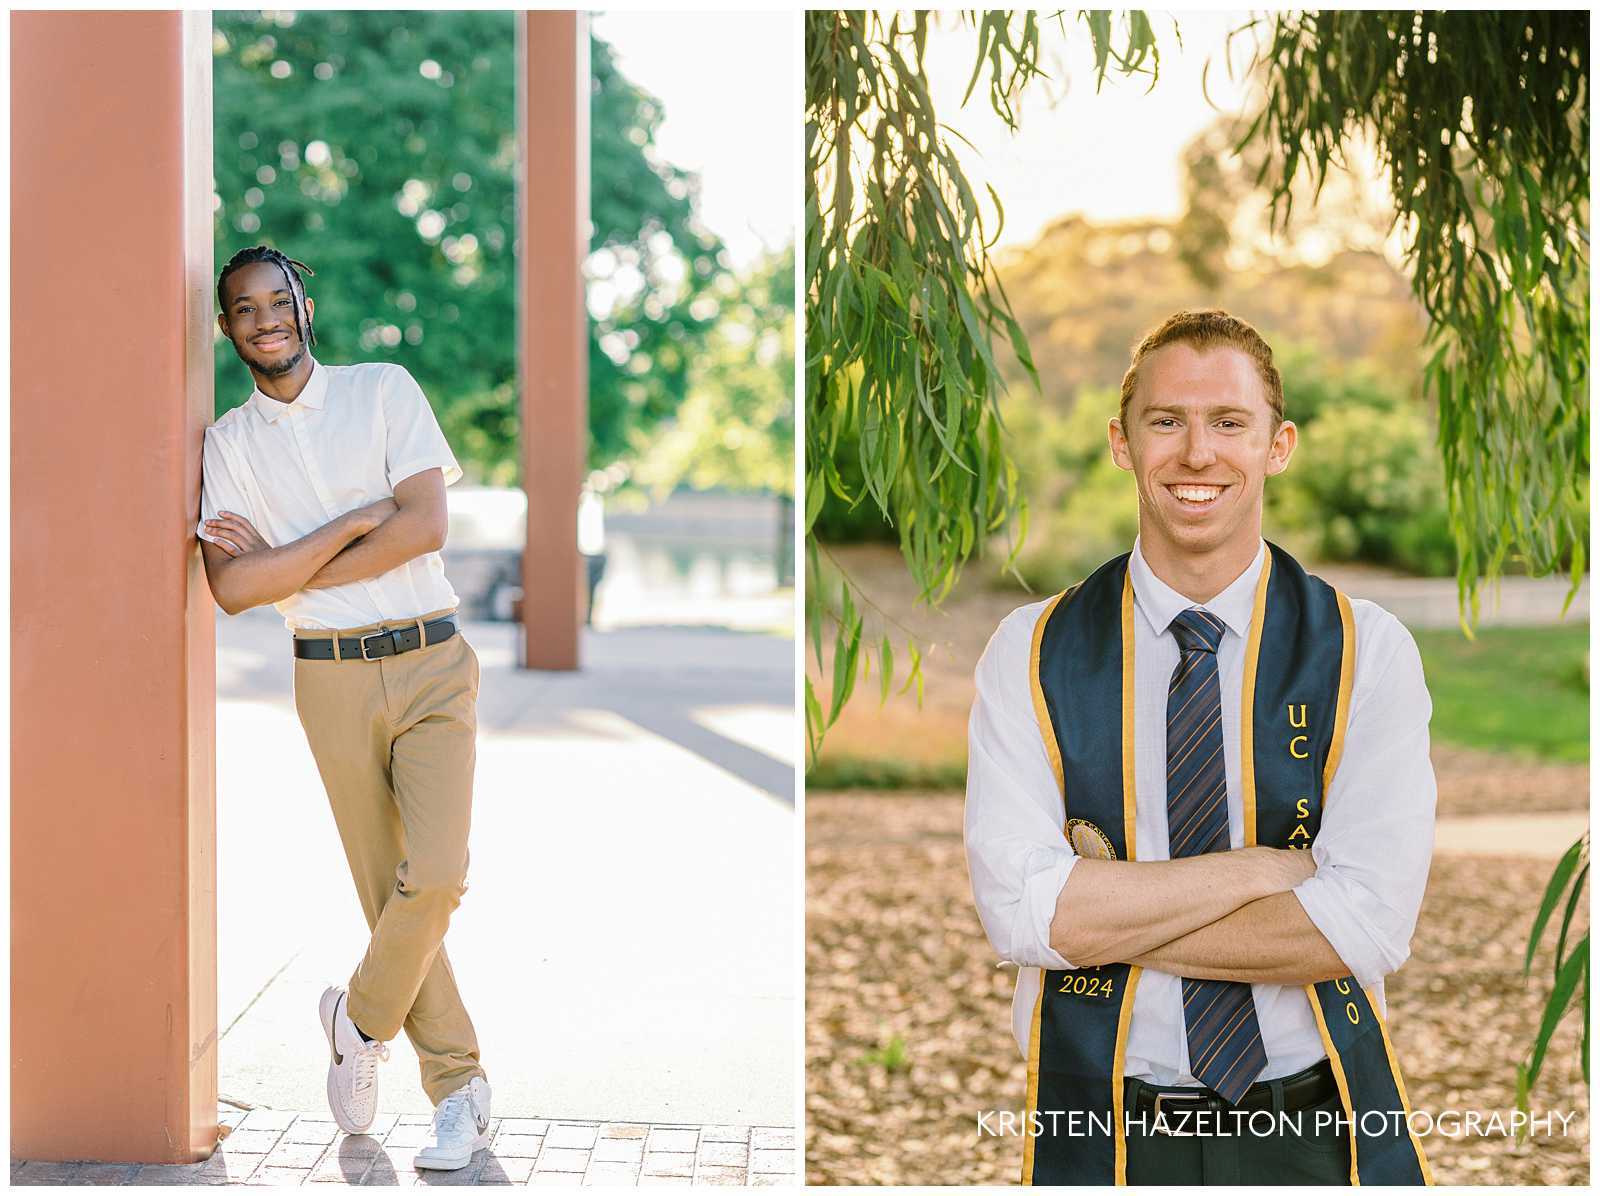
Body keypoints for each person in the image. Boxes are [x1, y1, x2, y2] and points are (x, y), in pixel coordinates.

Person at [964, 310, 1436, 1185]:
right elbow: (1022, 915)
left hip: (1315, 1125)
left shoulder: (1366, 649)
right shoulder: (1030, 651)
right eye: (1166, 420)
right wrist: (1263, 870)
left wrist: (1100, 920)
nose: (1197, 454)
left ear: (1277, 444)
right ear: (1121, 441)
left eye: (1229, 423)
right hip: (1104, 1119)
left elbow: (1365, 925)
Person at [196, 245, 491, 1171]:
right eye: (243, 309)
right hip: (328, 675)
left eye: (276, 301)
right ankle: (461, 1091)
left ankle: (358, 1024)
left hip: (433, 659)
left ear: (304, 305)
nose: (264, 319)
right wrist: (357, 522)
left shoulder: (383, 391)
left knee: (435, 875)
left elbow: (427, 525)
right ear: (226, 328)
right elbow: (233, 589)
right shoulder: (229, 445)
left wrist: (295, 562)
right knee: (386, 886)